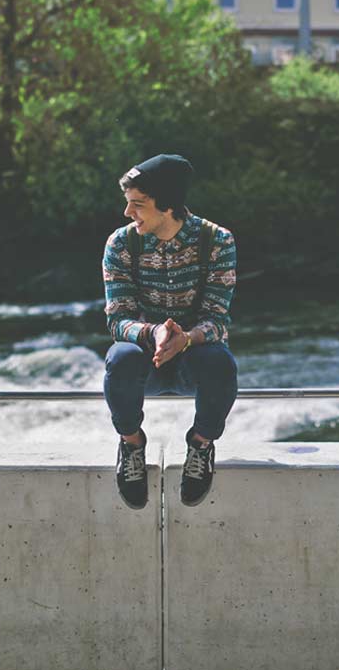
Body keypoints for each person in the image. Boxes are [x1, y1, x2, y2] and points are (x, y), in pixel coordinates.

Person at [101, 154, 238, 509]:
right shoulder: (121, 244)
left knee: (221, 361)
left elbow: (218, 319)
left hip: (196, 359)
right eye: (128, 203)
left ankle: (201, 445)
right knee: (120, 357)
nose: (128, 213)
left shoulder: (217, 240)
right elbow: (117, 320)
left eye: (138, 204)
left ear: (168, 205)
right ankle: (132, 445)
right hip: (145, 360)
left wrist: (186, 338)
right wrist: (153, 334)